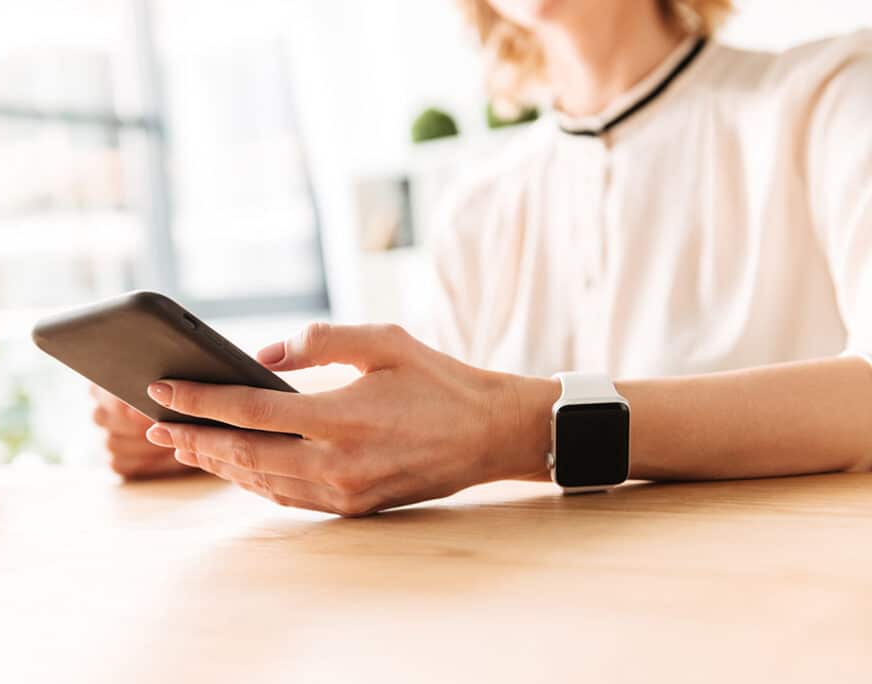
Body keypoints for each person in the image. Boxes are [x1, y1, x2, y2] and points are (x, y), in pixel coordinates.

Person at [92, 0, 872, 515]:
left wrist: (516, 429)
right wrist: (221, 433)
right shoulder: (480, 207)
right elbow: (418, 428)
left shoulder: (831, 93)